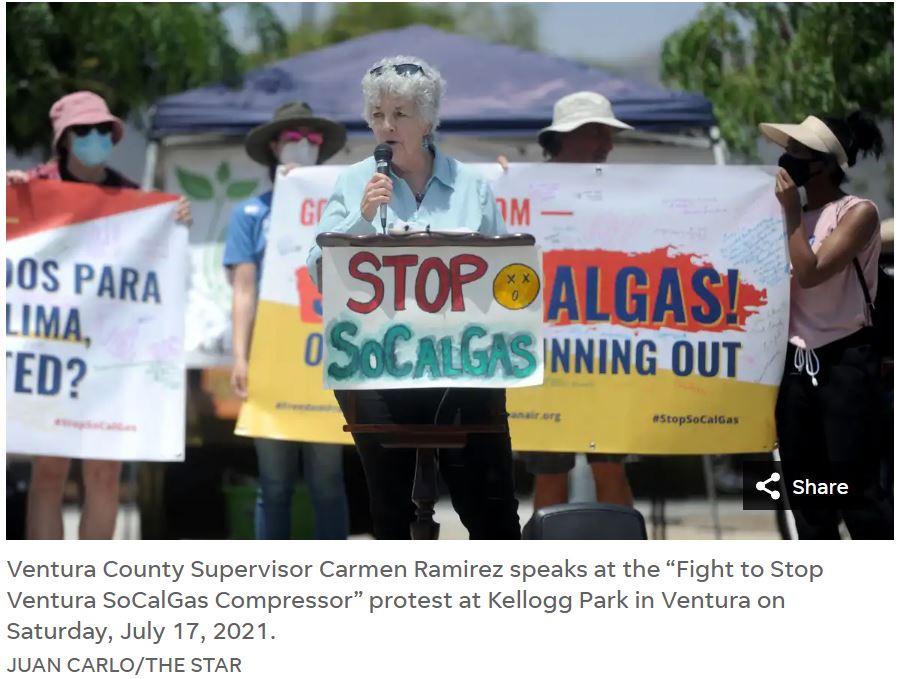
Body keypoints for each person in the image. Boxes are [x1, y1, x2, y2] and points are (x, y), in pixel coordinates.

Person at [307, 55, 520, 539]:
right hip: (380, 368)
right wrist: (362, 216)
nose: (386, 125)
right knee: (390, 513)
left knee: (492, 514)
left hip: (465, 367)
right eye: (378, 114)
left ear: (427, 121)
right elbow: (321, 271)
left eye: (400, 114)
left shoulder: (472, 187)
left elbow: (507, 275)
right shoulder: (353, 182)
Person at [6, 90, 192, 539]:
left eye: (102, 130)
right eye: (83, 131)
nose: (95, 137)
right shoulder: (30, 188)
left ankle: (92, 590)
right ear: (64, 139)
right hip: (52, 351)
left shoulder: (129, 196)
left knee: (103, 475)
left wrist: (175, 217)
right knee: (49, 473)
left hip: (109, 358)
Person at [760, 111, 892, 539]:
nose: (786, 158)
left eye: (797, 151)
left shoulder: (857, 213)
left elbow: (813, 270)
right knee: (805, 493)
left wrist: (792, 216)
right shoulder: (782, 216)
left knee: (858, 491)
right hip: (796, 368)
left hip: (845, 363)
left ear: (824, 163)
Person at [502, 92, 636, 511]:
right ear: (567, 138)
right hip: (544, 357)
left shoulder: (624, 194)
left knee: (610, 468)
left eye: (610, 135)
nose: (608, 145)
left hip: (605, 355)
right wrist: (501, 181)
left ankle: (637, 574)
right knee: (549, 470)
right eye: (598, 133)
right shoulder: (520, 189)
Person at [224, 101, 350, 540]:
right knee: (273, 483)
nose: (303, 146)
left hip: (327, 360)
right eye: (293, 137)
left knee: (328, 480)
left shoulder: (346, 212)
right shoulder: (249, 214)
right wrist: (240, 357)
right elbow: (243, 290)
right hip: (271, 361)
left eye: (312, 139)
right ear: (274, 146)